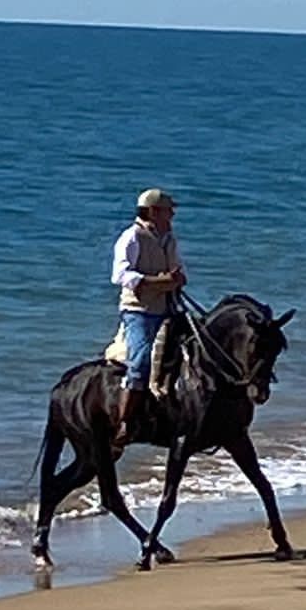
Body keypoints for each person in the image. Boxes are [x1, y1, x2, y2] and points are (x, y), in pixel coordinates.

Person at [109, 187, 187, 440]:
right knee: (141, 362)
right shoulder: (131, 237)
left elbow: (177, 271)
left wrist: (177, 279)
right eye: (168, 210)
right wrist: (159, 281)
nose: (172, 215)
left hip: (167, 308)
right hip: (139, 311)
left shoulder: (169, 239)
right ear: (153, 211)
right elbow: (121, 275)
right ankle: (125, 422)